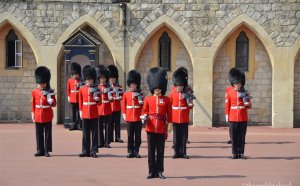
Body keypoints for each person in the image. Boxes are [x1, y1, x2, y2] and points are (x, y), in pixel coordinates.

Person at [141, 67, 172, 179]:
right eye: (156, 87)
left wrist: (169, 127)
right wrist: (144, 116)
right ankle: (151, 171)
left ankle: (159, 171)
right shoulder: (148, 99)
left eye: (159, 87)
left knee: (160, 151)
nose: (157, 89)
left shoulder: (167, 99)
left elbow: (170, 114)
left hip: (161, 127)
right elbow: (145, 111)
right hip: (150, 127)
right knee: (150, 151)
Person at [225, 68, 252, 159]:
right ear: (233, 83)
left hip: (243, 117)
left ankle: (241, 153)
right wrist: (227, 116)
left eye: (239, 83)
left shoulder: (245, 93)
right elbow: (227, 105)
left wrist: (247, 104)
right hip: (233, 117)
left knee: (241, 137)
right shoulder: (229, 93)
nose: (238, 85)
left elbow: (249, 105)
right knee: (233, 137)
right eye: (236, 83)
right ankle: (234, 153)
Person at [31, 66, 56, 157]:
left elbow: (54, 104)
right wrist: (33, 114)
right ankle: (39, 150)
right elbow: (33, 103)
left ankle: (46, 150)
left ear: (46, 82)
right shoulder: (34, 92)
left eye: (43, 83)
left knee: (48, 134)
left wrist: (51, 100)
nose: (42, 84)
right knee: (39, 134)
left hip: (47, 114)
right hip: (38, 114)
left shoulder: (50, 91)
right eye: (40, 83)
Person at [169, 68, 193, 159]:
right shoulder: (172, 94)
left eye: (181, 85)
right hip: (175, 117)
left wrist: (190, 104)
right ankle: (176, 152)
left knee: (183, 137)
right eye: (178, 85)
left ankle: (183, 152)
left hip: (184, 117)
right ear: (176, 85)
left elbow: (190, 106)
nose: (180, 87)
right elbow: (169, 105)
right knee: (176, 136)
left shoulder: (187, 93)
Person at [122, 70, 144, 158]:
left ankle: (137, 151)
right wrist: (125, 116)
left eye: (134, 84)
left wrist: (142, 116)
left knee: (138, 136)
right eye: (131, 84)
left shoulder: (140, 94)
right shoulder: (126, 94)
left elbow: (143, 107)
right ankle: (130, 151)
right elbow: (123, 106)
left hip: (138, 118)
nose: (133, 86)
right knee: (130, 136)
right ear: (129, 85)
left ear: (137, 84)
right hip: (130, 118)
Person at [78, 65, 99, 158]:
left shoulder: (96, 89)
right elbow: (80, 102)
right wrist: (81, 112)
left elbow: (100, 102)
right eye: (87, 80)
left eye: (90, 80)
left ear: (93, 80)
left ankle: (93, 151)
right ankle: (85, 151)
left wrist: (97, 99)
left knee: (94, 133)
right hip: (85, 113)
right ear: (85, 80)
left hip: (94, 113)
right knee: (85, 133)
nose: (89, 81)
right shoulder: (82, 89)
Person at [96, 65, 112, 148]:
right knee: (99, 126)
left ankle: (107, 142)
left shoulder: (109, 88)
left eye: (104, 78)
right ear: (99, 79)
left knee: (108, 126)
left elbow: (112, 98)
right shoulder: (97, 88)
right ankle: (100, 142)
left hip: (107, 108)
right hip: (99, 109)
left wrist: (111, 97)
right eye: (101, 78)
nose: (103, 80)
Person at [107, 65, 124, 143]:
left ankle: (117, 137)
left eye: (114, 78)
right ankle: (110, 137)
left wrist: (118, 98)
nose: (112, 80)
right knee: (109, 123)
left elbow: (121, 96)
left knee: (117, 124)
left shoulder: (119, 87)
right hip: (109, 108)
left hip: (117, 107)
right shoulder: (107, 87)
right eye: (111, 78)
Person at [67, 62, 82, 131]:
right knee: (72, 113)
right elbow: (68, 89)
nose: (75, 75)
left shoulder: (81, 81)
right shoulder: (70, 81)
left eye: (76, 74)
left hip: (79, 98)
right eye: (74, 74)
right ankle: (73, 125)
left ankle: (79, 125)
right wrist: (68, 96)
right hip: (72, 98)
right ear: (72, 74)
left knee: (79, 113)